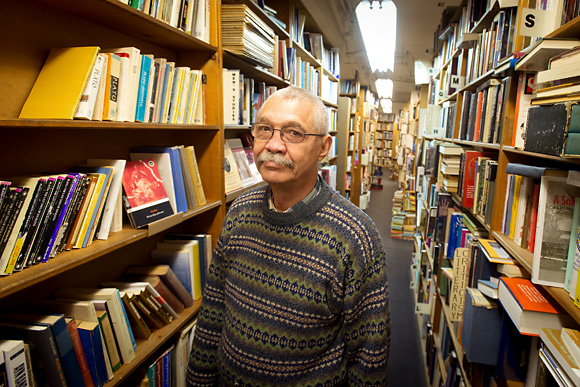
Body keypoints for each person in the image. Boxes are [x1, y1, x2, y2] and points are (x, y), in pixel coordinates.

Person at [187, 86, 390, 386]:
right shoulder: (239, 211)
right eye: (264, 129)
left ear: (324, 147)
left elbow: (369, 358)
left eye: (294, 133)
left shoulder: (355, 236)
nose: (274, 145)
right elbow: (213, 313)